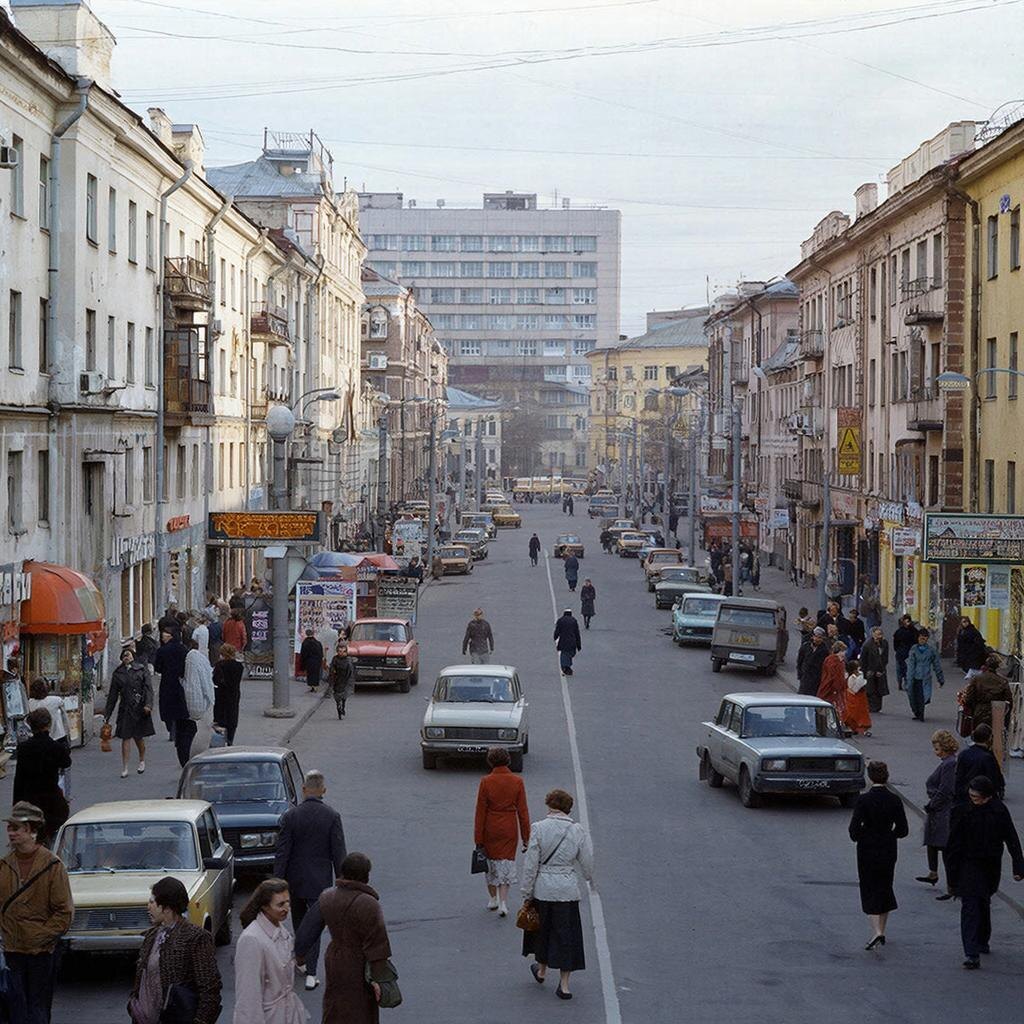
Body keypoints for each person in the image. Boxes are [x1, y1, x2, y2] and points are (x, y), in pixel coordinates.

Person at [294, 852, 393, 1023]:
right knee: (362, 1007)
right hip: (360, 962)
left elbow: (306, 931)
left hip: (335, 959)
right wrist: (379, 980)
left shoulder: (327, 897)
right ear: (366, 876)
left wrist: (300, 956)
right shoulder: (369, 904)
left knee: (335, 1002)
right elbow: (378, 945)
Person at [0, 802, 74, 1024]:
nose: (11, 833)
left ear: (31, 830)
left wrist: (38, 936)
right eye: (9, 827)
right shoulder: (4, 866)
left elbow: (64, 913)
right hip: (11, 952)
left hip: (41, 954)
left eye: (16, 828)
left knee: (37, 1011)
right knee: (14, 1011)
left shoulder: (52, 866)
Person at [274, 769, 347, 991]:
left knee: (300, 923)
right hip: (320, 882)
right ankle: (311, 973)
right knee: (315, 926)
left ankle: (303, 961)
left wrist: (276, 882)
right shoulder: (332, 816)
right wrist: (343, 883)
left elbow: (282, 852)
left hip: (294, 880)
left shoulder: (291, 816)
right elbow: (338, 853)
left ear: (304, 789)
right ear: (323, 790)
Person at [521, 788, 594, 1000]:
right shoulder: (577, 830)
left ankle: (542, 970)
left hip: (543, 889)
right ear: (568, 808)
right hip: (567, 890)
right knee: (566, 935)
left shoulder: (539, 828)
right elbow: (587, 861)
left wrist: (526, 892)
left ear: (549, 805)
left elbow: (531, 864)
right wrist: (588, 877)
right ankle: (564, 985)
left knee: (543, 932)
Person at [946, 775, 1024, 969]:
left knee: (982, 902)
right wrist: (952, 876)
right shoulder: (963, 810)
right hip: (968, 864)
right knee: (970, 905)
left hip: (990, 865)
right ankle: (971, 952)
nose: (974, 799)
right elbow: (953, 844)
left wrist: (1018, 866)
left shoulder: (998, 811)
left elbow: (1011, 838)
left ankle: (982, 940)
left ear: (988, 796)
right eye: (972, 796)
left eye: (978, 797)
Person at [128, 876, 222, 1024]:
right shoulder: (151, 936)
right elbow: (141, 979)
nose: (148, 907)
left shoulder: (196, 937)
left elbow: (210, 988)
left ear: (166, 907)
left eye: (152, 902)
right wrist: (133, 1004)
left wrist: (201, 1021)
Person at [848, 761, 909, 950]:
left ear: (870, 776)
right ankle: (882, 929)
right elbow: (903, 829)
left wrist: (862, 836)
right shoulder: (895, 799)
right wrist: (890, 835)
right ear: (887, 775)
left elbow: (853, 829)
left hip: (867, 847)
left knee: (869, 886)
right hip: (888, 847)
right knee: (885, 885)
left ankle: (876, 931)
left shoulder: (863, 800)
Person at [233, 878, 307, 1024]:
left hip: (287, 1015)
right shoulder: (251, 939)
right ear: (264, 907)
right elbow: (248, 995)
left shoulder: (281, 930)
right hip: (269, 1018)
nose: (287, 908)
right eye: (280, 904)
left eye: (288, 902)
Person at [474, 748, 530, 918]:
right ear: (508, 760)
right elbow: (523, 812)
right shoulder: (517, 781)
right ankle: (503, 902)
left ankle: (493, 898)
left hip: (490, 826)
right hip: (509, 826)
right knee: (506, 862)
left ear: (490, 761)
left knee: (490, 862)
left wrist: (478, 837)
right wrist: (526, 837)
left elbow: (480, 811)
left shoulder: (486, 781)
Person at [12, 710, 71, 847]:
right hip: (52, 801)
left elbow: (19, 778)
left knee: (33, 837)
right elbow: (66, 762)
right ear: (49, 725)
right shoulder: (56, 747)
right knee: (54, 836)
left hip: (30, 800)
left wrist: (16, 804)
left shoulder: (24, 748)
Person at [916, 729, 959, 898]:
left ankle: (951, 887)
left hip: (942, 811)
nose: (935, 751)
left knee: (944, 846)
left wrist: (932, 804)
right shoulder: (946, 762)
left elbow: (945, 789)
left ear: (944, 747)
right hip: (938, 809)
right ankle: (933, 873)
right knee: (933, 842)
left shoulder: (949, 764)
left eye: (937, 748)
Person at [103, 646, 155, 778]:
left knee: (138, 737)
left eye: (129, 655)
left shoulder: (141, 670)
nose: (127, 657)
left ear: (133, 656)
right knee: (125, 738)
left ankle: (142, 760)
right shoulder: (118, 673)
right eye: (124, 655)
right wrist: (107, 714)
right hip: (125, 709)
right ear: (122, 658)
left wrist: (148, 704)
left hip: (139, 708)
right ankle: (125, 767)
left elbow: (148, 689)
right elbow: (113, 696)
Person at [179, 637, 214, 767]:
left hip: (188, 706)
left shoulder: (190, 659)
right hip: (197, 706)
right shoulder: (199, 658)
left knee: (185, 732)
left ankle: (186, 759)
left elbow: (191, 682)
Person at [953, 723, 1005, 807]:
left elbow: (958, 777)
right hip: (980, 797)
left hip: (963, 796)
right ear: (989, 738)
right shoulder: (988, 758)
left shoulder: (963, 754)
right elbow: (994, 779)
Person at [153, 626, 188, 743]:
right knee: (179, 704)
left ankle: (171, 728)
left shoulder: (162, 650)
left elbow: (158, 668)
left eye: (164, 636)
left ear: (169, 636)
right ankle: (178, 728)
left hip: (167, 680)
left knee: (167, 705)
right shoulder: (183, 649)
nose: (162, 639)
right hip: (180, 680)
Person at [961, 654, 1014, 730]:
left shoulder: (977, 679)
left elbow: (969, 698)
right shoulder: (1002, 681)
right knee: (997, 735)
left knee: (979, 733)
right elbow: (1009, 700)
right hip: (997, 711)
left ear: (986, 665)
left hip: (980, 711)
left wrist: (972, 709)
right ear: (997, 667)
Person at [905, 629, 944, 721]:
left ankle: (921, 713)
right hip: (914, 676)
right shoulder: (914, 649)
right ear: (918, 638)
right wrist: (908, 678)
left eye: (925, 638)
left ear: (927, 639)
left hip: (925, 677)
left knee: (923, 696)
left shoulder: (931, 650)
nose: (922, 640)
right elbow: (910, 664)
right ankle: (916, 712)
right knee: (913, 695)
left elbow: (937, 665)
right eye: (921, 638)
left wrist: (940, 679)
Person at [213, 643, 244, 745]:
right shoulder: (239, 666)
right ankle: (230, 740)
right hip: (234, 694)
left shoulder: (219, 665)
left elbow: (215, 680)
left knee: (221, 718)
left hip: (221, 695)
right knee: (232, 718)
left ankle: (221, 740)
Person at [27, 681, 68, 749]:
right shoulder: (56, 700)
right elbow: (65, 717)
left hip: (38, 736)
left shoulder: (30, 703)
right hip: (58, 735)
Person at [860, 626, 890, 714]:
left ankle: (877, 707)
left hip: (880, 669)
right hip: (870, 669)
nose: (879, 636)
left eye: (880, 634)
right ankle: (871, 707)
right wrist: (865, 671)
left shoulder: (884, 643)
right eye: (877, 635)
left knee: (879, 689)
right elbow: (863, 660)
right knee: (871, 690)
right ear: (873, 635)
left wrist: (881, 670)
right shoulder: (867, 645)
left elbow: (885, 658)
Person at [817, 642, 849, 723]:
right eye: (844, 651)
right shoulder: (836, 662)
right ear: (840, 651)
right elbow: (836, 678)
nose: (845, 653)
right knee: (832, 708)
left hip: (826, 687)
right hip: (832, 689)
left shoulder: (829, 659)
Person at [797, 627, 829, 696]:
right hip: (805, 676)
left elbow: (825, 666)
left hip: (816, 679)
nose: (817, 639)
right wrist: (800, 674)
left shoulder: (825, 651)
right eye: (816, 636)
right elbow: (800, 660)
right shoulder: (806, 646)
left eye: (819, 637)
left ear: (822, 639)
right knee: (802, 696)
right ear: (812, 636)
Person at [328, 640, 356, 719]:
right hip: (337, 679)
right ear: (337, 651)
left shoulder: (348, 659)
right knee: (337, 696)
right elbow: (331, 669)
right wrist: (332, 678)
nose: (341, 653)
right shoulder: (335, 659)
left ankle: (343, 706)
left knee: (344, 696)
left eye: (343, 651)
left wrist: (350, 680)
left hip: (345, 680)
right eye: (340, 651)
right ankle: (339, 708)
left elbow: (351, 671)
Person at [844, 659, 872, 736]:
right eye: (857, 667)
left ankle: (863, 728)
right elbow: (853, 688)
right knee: (853, 712)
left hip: (861, 697)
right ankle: (854, 727)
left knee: (862, 712)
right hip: (854, 696)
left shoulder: (860, 674)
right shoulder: (851, 677)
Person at [893, 614, 918, 691]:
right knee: (907, 669)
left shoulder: (898, 632)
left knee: (900, 669)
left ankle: (901, 683)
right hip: (906, 653)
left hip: (901, 653)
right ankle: (905, 683)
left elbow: (895, 644)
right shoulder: (914, 631)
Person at [553, 609, 582, 677]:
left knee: (564, 653)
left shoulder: (560, 620)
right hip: (572, 641)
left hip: (563, 640)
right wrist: (579, 645)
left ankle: (565, 666)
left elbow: (557, 630)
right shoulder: (574, 621)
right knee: (570, 653)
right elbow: (577, 633)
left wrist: (555, 637)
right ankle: (567, 666)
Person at [299, 628, 325, 695]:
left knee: (310, 674)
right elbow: (321, 653)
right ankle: (315, 686)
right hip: (317, 661)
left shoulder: (305, 643)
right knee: (316, 674)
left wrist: (302, 664)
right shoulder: (318, 643)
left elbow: (303, 654)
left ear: (306, 634)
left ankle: (311, 687)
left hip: (309, 661)